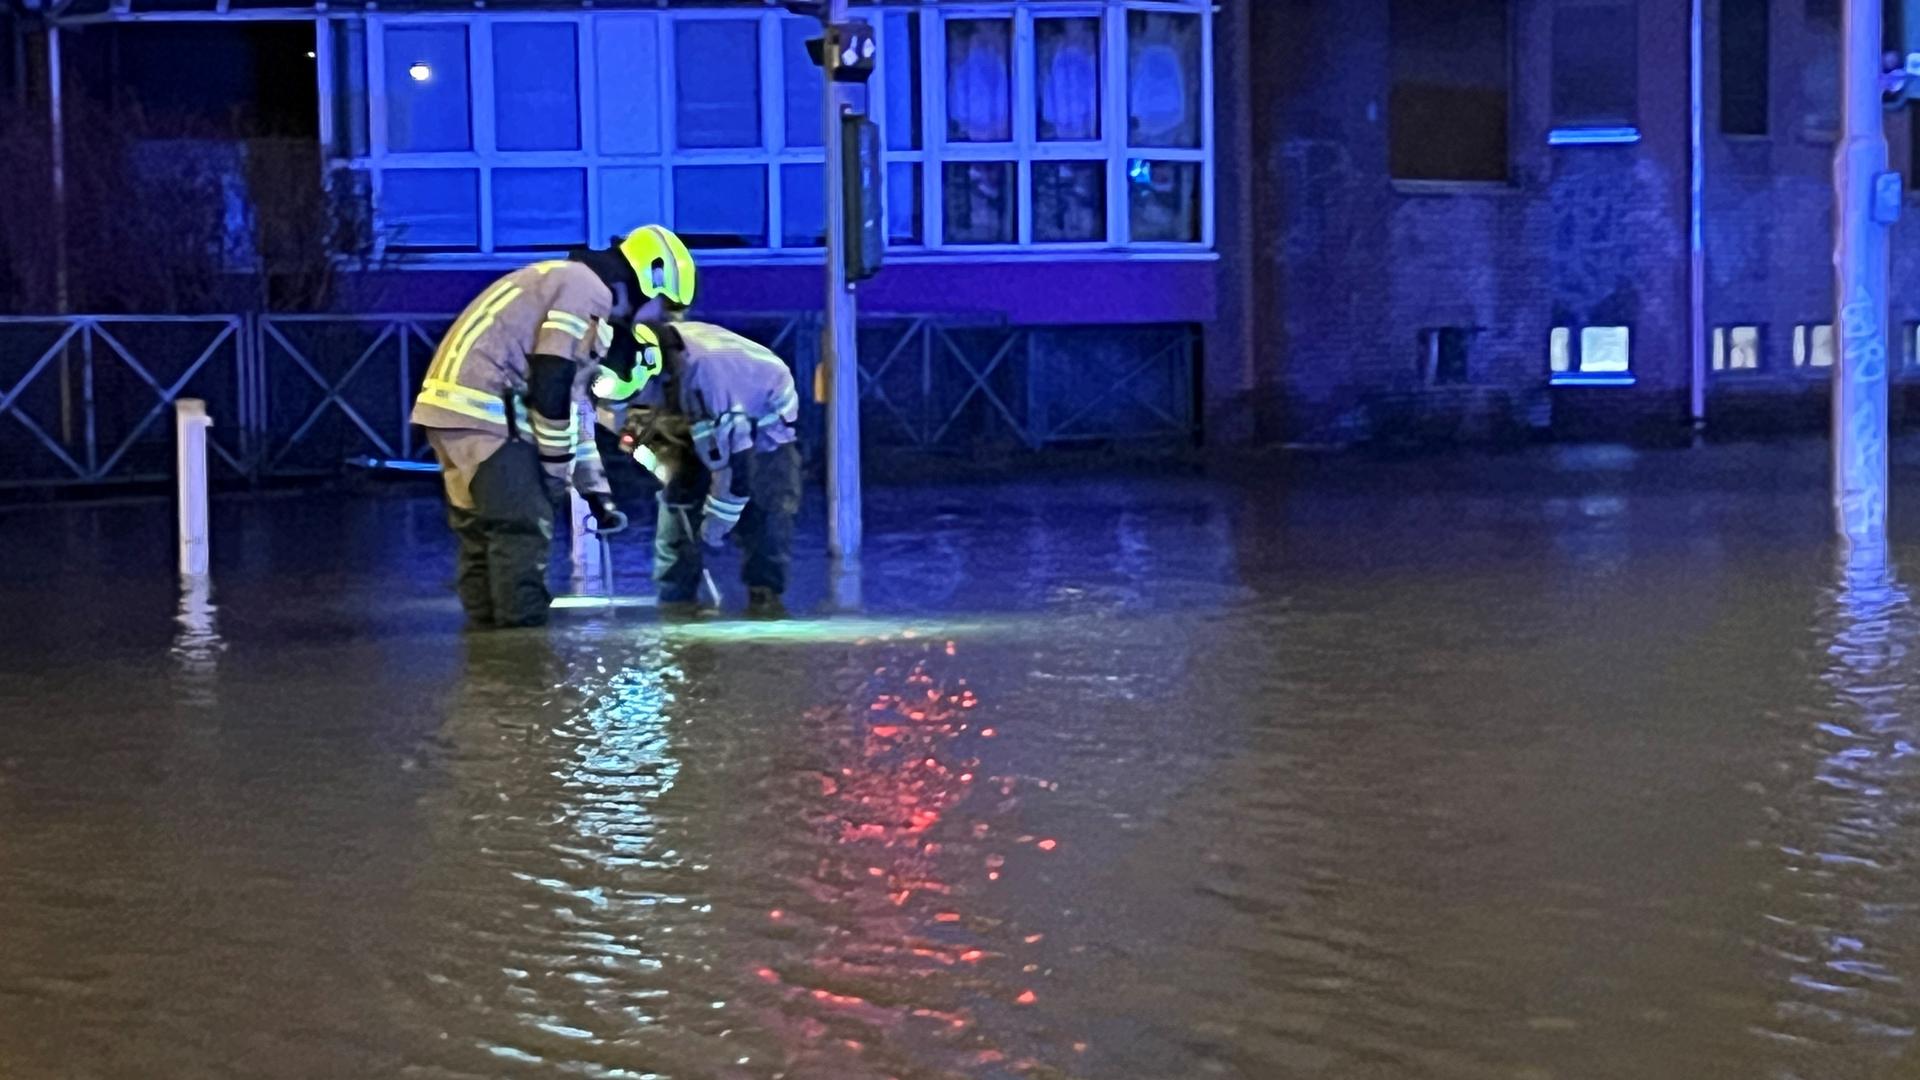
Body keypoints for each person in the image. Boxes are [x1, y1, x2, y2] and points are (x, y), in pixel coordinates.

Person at [411, 225, 698, 629]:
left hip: (452, 413)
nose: (656, 320)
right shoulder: (586, 288)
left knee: (482, 537)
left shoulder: (568, 286)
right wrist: (554, 466)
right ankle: (523, 667)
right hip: (488, 415)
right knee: (522, 531)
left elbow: (575, 405)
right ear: (651, 278)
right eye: (662, 306)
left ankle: (485, 669)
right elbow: (552, 376)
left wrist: (595, 491)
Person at [604, 321, 802, 618]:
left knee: (766, 508)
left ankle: (765, 596)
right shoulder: (618, 359)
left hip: (760, 425)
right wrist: (655, 460)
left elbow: (736, 472)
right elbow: (617, 421)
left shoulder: (712, 376)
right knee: (676, 497)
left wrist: (714, 527)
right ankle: (675, 598)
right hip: (688, 409)